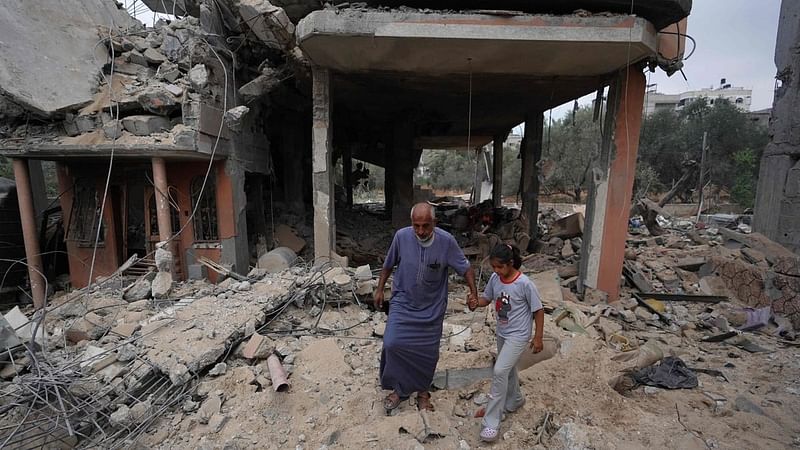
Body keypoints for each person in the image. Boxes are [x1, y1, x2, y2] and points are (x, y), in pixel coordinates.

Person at [375, 202, 478, 413]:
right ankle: (399, 389)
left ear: (434, 223)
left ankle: (422, 391)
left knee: (427, 353)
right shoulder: (402, 237)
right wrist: (379, 288)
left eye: (426, 226)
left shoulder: (446, 242)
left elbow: (466, 269)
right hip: (403, 301)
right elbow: (388, 264)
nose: (420, 231)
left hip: (432, 306)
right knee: (393, 343)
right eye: (416, 226)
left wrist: (473, 293)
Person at [468, 243, 544, 442]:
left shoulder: (525, 284)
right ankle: (516, 399)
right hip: (502, 332)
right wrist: (476, 303)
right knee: (508, 370)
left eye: (500, 267)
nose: (496, 271)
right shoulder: (495, 278)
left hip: (518, 335)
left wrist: (538, 337)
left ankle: (491, 421)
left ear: (510, 264)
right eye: (493, 267)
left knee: (500, 370)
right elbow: (487, 298)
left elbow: (538, 310)